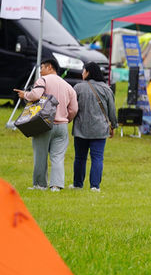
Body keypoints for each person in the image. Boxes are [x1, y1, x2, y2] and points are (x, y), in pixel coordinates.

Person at [15, 58, 78, 191]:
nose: (41, 71)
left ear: (49, 67)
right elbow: (74, 109)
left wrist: (25, 94)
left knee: (40, 155)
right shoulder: (68, 85)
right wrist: (66, 119)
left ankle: (40, 185)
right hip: (62, 126)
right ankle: (56, 185)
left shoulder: (43, 80)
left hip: (43, 124)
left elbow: (36, 94)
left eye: (42, 67)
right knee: (57, 157)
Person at [72, 62, 117, 191]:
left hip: (81, 128)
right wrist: (113, 125)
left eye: (83, 71)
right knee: (97, 158)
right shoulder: (106, 88)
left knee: (80, 157)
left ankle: (77, 184)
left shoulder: (78, 88)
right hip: (100, 129)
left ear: (88, 73)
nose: (82, 73)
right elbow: (111, 110)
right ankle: (95, 186)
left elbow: (73, 108)